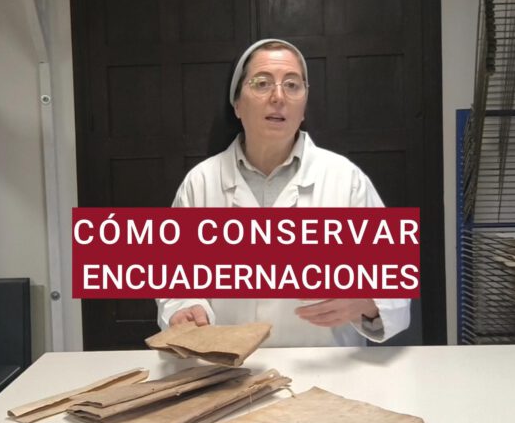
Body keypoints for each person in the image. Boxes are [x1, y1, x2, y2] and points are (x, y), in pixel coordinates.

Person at [156, 39, 410, 347]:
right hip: (228, 369)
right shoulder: (201, 183)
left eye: (292, 85)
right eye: (262, 83)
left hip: (325, 367)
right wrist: (185, 308)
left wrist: (368, 302)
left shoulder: (346, 180)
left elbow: (394, 287)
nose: (278, 97)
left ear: (303, 106)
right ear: (237, 104)